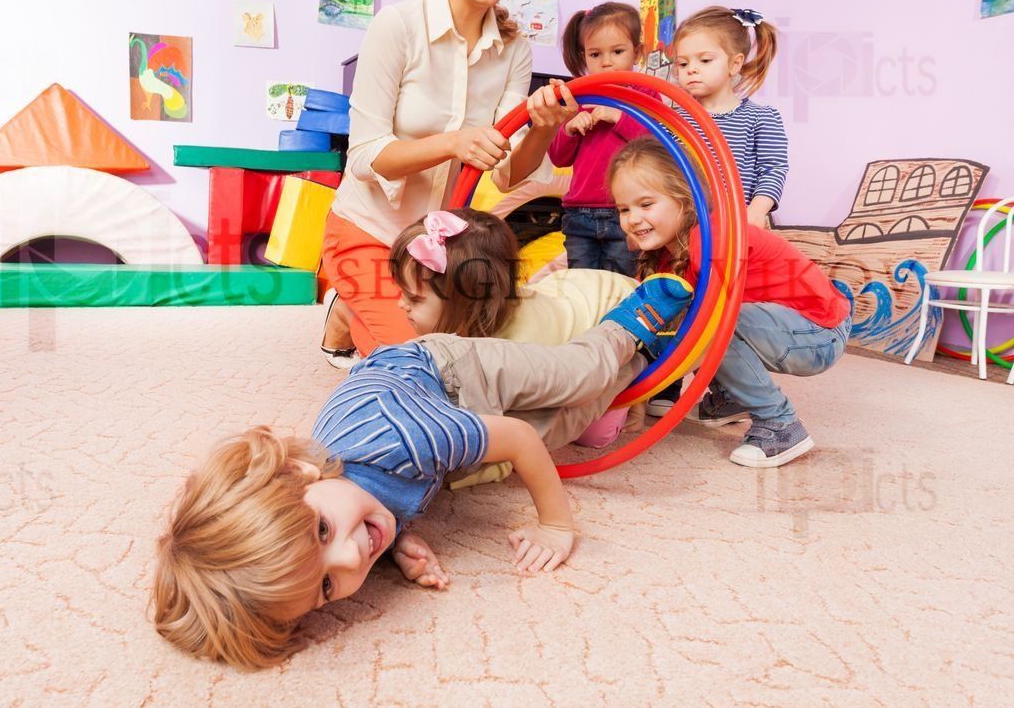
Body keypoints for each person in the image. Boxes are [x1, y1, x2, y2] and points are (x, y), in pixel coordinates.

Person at [151, 275, 694, 670]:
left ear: (299, 474)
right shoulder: (336, 496)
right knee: (574, 419)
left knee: (575, 379)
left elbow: (520, 439)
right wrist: (396, 544)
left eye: (321, 533)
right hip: (420, 406)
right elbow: (352, 515)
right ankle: (640, 360)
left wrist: (555, 524)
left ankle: (634, 319)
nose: (350, 558)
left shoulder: (408, 441)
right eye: (324, 586)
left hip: (449, 372)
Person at [319, 0, 579, 367]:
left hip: (438, 248)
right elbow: (365, 158)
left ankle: (356, 308)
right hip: (369, 230)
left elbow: (506, 173)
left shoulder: (515, 48)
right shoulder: (396, 26)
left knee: (482, 358)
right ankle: (350, 304)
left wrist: (544, 127)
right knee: (421, 370)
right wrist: (454, 142)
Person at [607, 137, 850, 469]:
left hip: (819, 331)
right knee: (700, 319)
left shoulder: (712, 238)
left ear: (686, 201)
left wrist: (647, 383)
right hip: (784, 325)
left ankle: (780, 425)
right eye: (624, 209)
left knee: (715, 324)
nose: (633, 219)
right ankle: (733, 397)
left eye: (646, 204)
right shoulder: (664, 257)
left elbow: (698, 333)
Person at [389, 207, 643, 451]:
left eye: (414, 299)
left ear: (468, 303)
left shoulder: (523, 350)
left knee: (592, 433)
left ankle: (635, 374)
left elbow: (525, 430)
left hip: (625, 310)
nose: (401, 305)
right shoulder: (479, 314)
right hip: (567, 290)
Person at [648, 5, 788, 417]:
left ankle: (731, 388)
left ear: (735, 63)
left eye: (704, 61)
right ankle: (667, 380)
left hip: (736, 233)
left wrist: (756, 210)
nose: (690, 71)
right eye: (682, 63)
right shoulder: (675, 120)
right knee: (673, 303)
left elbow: (774, 168)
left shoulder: (760, 118)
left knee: (728, 312)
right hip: (683, 233)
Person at [548, 2, 661, 276]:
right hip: (579, 213)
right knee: (580, 284)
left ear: (638, 51)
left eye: (618, 51)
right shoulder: (579, 97)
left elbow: (656, 146)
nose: (606, 62)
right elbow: (557, 156)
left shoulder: (646, 94)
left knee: (619, 284)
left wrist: (619, 118)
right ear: (584, 56)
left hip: (624, 213)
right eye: (595, 54)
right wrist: (570, 129)